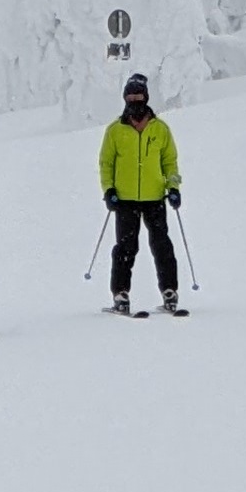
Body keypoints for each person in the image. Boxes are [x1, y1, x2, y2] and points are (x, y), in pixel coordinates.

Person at [99, 73, 186, 316]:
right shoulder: (115, 130)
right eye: (130, 96)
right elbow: (106, 163)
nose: (134, 101)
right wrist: (109, 190)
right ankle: (120, 293)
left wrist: (174, 188)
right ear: (125, 98)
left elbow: (170, 162)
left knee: (162, 246)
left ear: (146, 98)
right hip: (125, 199)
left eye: (139, 96)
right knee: (126, 248)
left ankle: (170, 290)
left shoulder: (160, 129)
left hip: (154, 197)